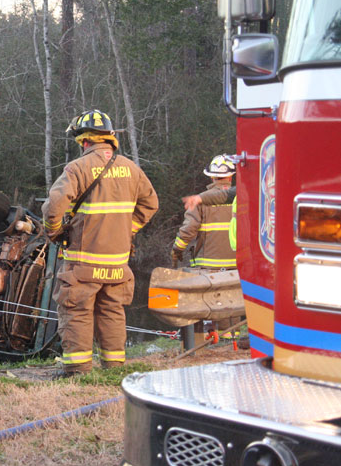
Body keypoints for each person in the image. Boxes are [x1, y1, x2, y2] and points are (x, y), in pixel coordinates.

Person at [42, 109, 158, 376]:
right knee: (112, 311)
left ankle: (78, 371)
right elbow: (151, 204)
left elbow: (54, 206)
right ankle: (114, 368)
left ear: (84, 141)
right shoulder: (131, 169)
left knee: (77, 311)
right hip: (118, 262)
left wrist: (55, 231)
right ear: (109, 138)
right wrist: (128, 230)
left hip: (84, 260)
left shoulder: (78, 168)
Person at [172, 155, 237, 270]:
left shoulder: (200, 199)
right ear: (231, 176)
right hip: (239, 266)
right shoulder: (242, 198)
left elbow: (189, 228)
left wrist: (177, 249)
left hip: (208, 266)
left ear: (211, 177)